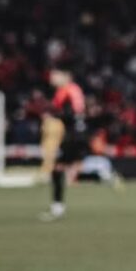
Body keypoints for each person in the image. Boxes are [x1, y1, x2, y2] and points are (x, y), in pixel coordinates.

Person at [40, 67, 87, 221]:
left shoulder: (65, 90)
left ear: (65, 76)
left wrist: (51, 114)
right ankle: (57, 206)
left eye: (55, 75)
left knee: (58, 168)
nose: (52, 78)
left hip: (72, 135)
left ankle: (57, 207)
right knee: (69, 166)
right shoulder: (75, 89)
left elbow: (68, 114)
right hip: (79, 133)